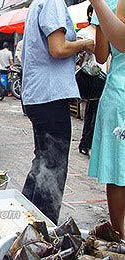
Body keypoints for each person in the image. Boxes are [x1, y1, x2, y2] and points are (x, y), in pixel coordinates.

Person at [20, 0, 94, 225]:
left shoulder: (39, 3)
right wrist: (85, 43)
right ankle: (43, 231)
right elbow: (58, 48)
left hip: (39, 94)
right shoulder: (52, 2)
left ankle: (25, 222)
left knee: (43, 162)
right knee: (53, 167)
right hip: (49, 95)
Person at [87, 0, 125, 239]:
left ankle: (120, 236)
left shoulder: (107, 3)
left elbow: (101, 55)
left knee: (118, 170)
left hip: (120, 94)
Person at [77, 4, 108, 156]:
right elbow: (78, 57)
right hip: (91, 76)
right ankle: (86, 143)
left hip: (106, 75)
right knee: (92, 111)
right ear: (90, 14)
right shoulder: (84, 33)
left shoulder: (108, 30)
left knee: (97, 112)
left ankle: (91, 143)